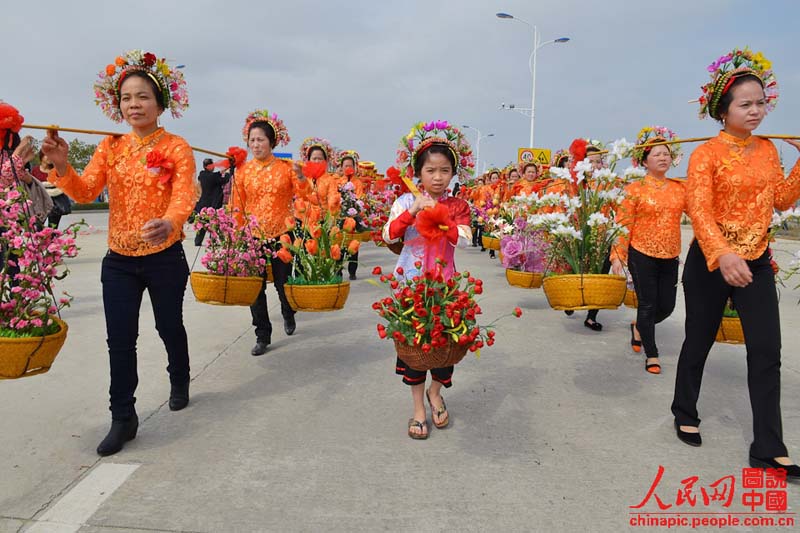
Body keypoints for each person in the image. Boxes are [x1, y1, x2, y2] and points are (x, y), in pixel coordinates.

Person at [41, 49, 196, 456]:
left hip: (164, 255)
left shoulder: (178, 147)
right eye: (127, 97)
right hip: (119, 260)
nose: (134, 104)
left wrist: (170, 222)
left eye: (143, 96)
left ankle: (179, 377)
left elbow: (184, 195)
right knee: (120, 340)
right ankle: (123, 416)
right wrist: (61, 166)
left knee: (168, 326)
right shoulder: (110, 146)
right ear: (118, 105)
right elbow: (85, 190)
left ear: (160, 103)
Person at [670, 48, 800, 479]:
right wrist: (722, 253)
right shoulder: (705, 154)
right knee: (699, 341)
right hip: (711, 261)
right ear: (722, 111)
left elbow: (780, 199)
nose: (756, 111)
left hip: (757, 262)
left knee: (767, 351)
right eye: (745, 104)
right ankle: (684, 408)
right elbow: (699, 209)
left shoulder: (767, 151)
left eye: (761, 102)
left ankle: (769, 445)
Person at [383, 120, 472, 440]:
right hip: (409, 287)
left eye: (444, 170)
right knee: (413, 352)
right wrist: (414, 210)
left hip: (446, 289)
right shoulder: (405, 201)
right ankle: (419, 408)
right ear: (418, 172)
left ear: (452, 173)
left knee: (448, 349)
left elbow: (463, 239)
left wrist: (441, 215)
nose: (437, 177)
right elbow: (387, 233)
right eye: (430, 171)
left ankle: (437, 392)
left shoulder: (458, 205)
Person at [229, 109, 309, 356]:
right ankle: (262, 334)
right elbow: (237, 203)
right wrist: (236, 232)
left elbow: (304, 195)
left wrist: (301, 177)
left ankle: (288, 311)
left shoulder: (286, 168)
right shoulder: (243, 171)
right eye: (252, 140)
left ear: (271, 141)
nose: (256, 144)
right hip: (253, 236)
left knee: (283, 284)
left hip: (282, 233)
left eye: (260, 139)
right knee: (255, 288)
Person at [611, 127, 685, 374]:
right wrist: (618, 256)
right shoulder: (634, 189)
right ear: (644, 161)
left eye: (666, 153)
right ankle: (652, 354)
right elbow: (623, 224)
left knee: (667, 307)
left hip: (670, 254)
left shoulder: (679, 188)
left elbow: (699, 213)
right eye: (656, 154)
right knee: (647, 305)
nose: (663, 157)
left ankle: (640, 327)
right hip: (641, 253)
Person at [337, 150, 364, 280]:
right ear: (341, 167)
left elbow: (359, 198)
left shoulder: (357, 182)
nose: (348, 168)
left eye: (350, 165)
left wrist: (353, 207)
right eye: (345, 165)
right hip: (340, 217)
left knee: (353, 246)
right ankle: (338, 271)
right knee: (339, 245)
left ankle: (352, 271)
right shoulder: (337, 182)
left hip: (354, 218)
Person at [193, 158, 229, 246]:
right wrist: (228, 174)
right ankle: (213, 241)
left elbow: (217, 174)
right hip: (212, 204)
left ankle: (198, 241)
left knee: (203, 224)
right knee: (214, 224)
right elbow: (223, 180)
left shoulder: (203, 175)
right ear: (207, 166)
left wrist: (228, 167)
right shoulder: (211, 177)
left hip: (204, 204)